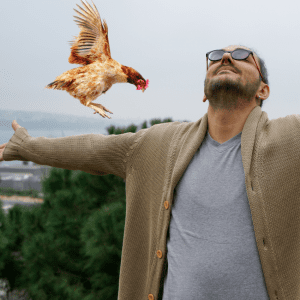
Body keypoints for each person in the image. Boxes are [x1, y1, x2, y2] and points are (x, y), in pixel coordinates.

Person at [0, 44, 299, 300]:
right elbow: (93, 148)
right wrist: (25, 146)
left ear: (264, 89)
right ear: (204, 93)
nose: (226, 58)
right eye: (217, 55)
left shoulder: (291, 138)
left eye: (243, 55)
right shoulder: (162, 143)